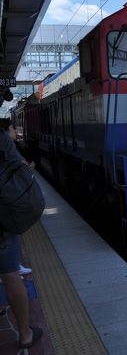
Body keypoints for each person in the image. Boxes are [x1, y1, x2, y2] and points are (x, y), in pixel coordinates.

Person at [0, 121, 42, 348]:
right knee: (10, 275)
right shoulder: (2, 139)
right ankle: (25, 334)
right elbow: (22, 168)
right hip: (2, 219)